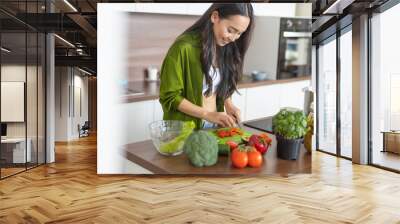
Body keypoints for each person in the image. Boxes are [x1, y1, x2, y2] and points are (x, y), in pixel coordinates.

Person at [159, 3, 254, 129]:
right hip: (184, 131)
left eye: (239, 33)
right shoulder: (184, 47)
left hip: (214, 126)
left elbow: (217, 85)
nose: (233, 38)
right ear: (215, 17)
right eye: (230, 30)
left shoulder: (225, 47)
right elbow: (169, 96)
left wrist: (228, 104)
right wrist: (207, 114)